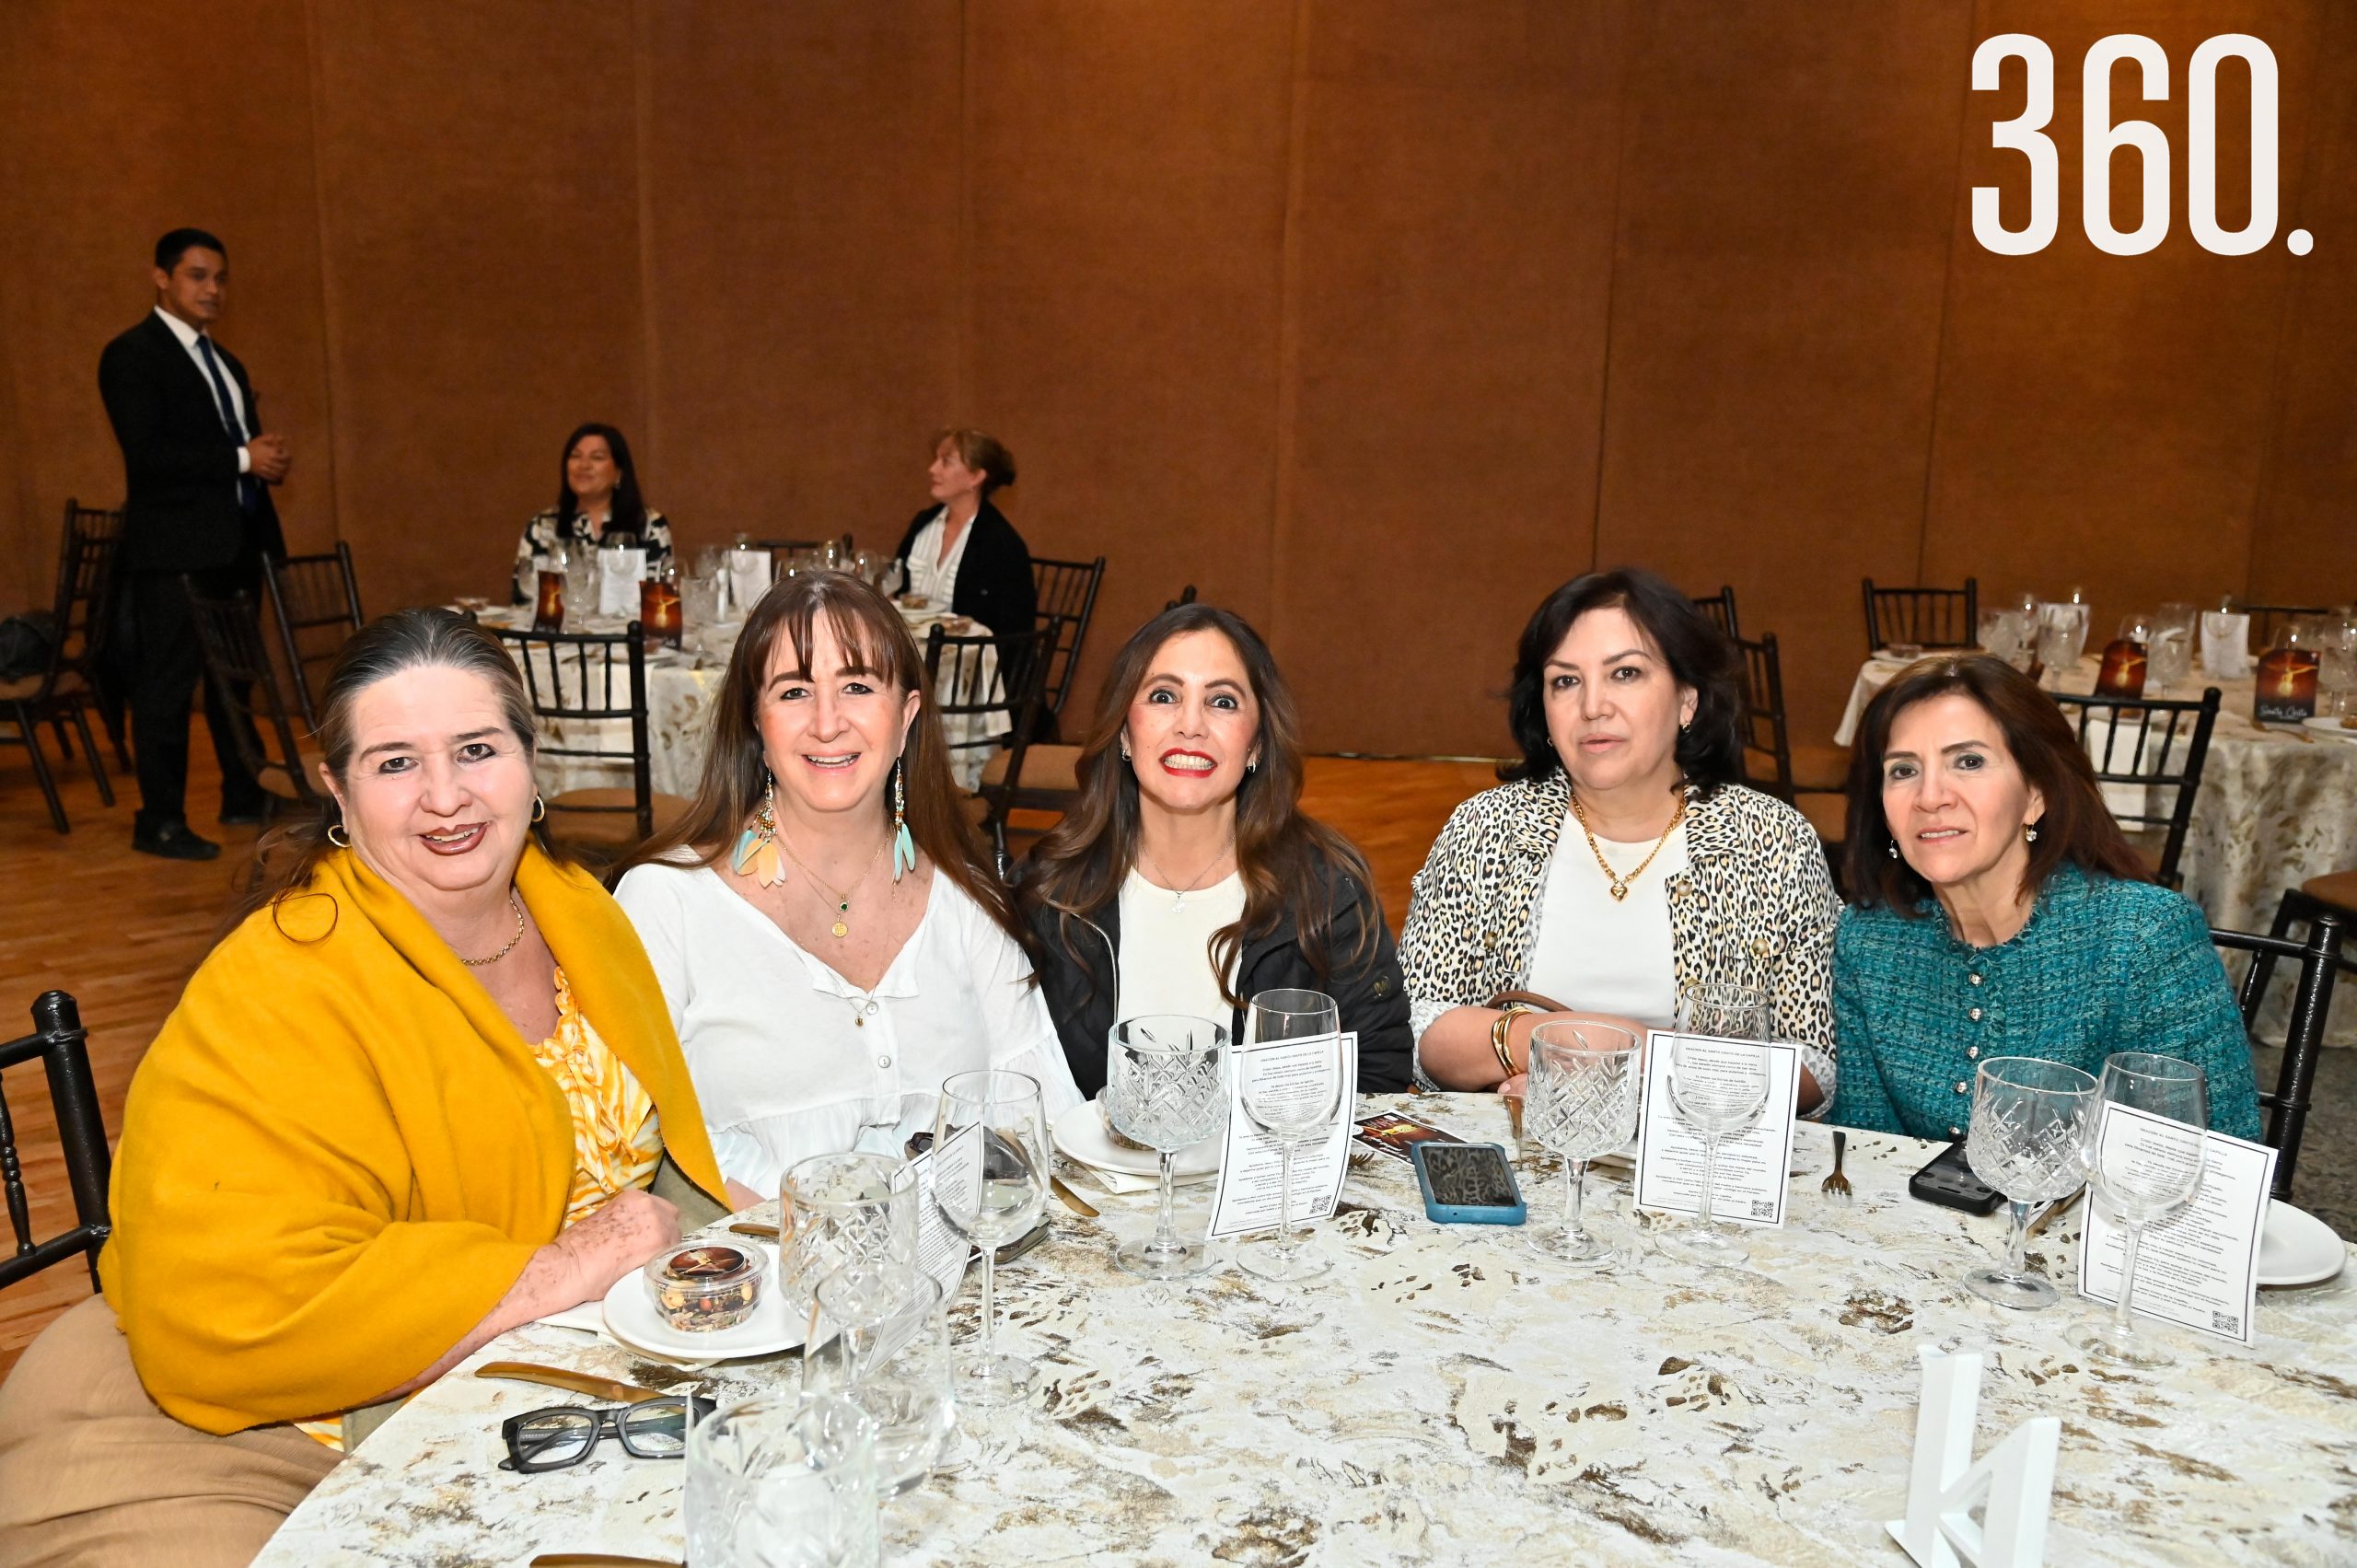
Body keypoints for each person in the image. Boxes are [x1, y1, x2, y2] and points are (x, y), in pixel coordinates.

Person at [0, 610, 727, 1566]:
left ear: (530, 757)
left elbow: (657, 1161)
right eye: (394, 763)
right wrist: (565, 1266)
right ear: (336, 789)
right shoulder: (278, 982)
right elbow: (230, 1310)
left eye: (476, 748)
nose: (445, 797)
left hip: (514, 1388)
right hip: (249, 1427)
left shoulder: (581, 913)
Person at [613, 571, 1082, 1196]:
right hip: (750, 1275)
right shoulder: (667, 903)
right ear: (755, 721)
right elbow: (620, 1149)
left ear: (907, 716)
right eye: (794, 691)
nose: (827, 722)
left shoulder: (965, 899)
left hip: (957, 1273)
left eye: (857, 686)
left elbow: (1045, 1120)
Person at [1399, 568, 1840, 1109]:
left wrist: (1637, 1065)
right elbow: (1419, 1031)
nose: (1592, 706)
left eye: (1625, 674)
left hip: (1697, 1163)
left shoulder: (1771, 839)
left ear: (1687, 699)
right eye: (1565, 680)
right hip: (1512, 1147)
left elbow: (1814, 1066)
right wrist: (1550, 1042)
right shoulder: (1487, 828)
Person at [1830, 653, 2262, 1141]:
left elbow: (2211, 1158)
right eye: (1903, 770)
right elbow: (1863, 1149)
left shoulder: (2140, 939)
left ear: (2036, 794)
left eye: (1968, 762)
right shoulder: (1870, 941)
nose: (1931, 797)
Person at [1020, 603, 1414, 1097]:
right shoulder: (1047, 889)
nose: (1191, 725)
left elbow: (1379, 1077)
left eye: (1222, 702)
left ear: (1256, 745)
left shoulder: (1328, 893)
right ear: (1124, 731)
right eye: (1164, 696)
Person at [98, 227, 288, 860]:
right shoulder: (132, 355)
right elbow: (149, 455)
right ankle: (160, 819)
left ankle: (243, 793)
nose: (212, 290)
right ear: (162, 278)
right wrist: (241, 456)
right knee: (167, 686)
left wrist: (261, 464)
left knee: (233, 684)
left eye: (220, 278)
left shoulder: (226, 362)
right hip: (175, 551)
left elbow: (244, 451)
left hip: (234, 546)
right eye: (197, 276)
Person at [888, 427, 1037, 640]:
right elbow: (896, 586)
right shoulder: (924, 524)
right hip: (911, 652)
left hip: (967, 664)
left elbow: (1015, 630)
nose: (932, 469)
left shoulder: (1001, 543)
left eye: (946, 462)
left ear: (975, 477)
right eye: (936, 459)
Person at [509, 423, 674, 604]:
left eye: (597, 457)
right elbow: (524, 595)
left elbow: (659, 595)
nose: (584, 465)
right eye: (575, 456)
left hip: (628, 629)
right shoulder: (543, 525)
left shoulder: (649, 524)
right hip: (559, 630)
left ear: (619, 471)